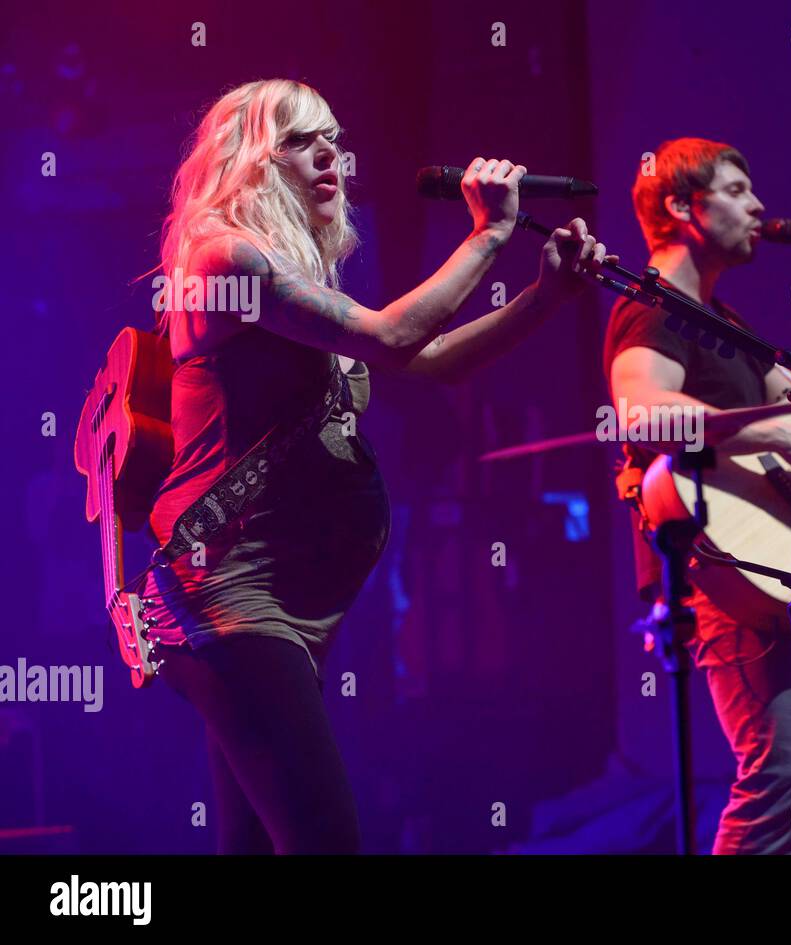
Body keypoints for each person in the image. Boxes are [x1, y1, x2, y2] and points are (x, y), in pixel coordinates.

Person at [139, 78, 609, 853]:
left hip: (275, 604)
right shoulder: (223, 256)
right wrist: (487, 236)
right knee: (324, 841)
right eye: (298, 139)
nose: (329, 154)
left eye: (334, 137)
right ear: (247, 158)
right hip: (230, 597)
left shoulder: (291, 281)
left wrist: (545, 296)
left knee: (255, 844)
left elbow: (429, 363)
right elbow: (392, 338)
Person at [603, 137, 791, 854]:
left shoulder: (723, 321)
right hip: (713, 573)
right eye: (738, 190)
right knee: (780, 777)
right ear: (683, 207)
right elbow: (642, 412)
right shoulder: (655, 309)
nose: (759, 204)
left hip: (760, 569)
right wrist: (776, 429)